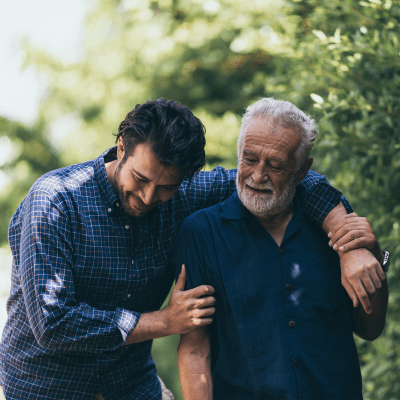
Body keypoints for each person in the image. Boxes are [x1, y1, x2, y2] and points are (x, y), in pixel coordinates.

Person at [0, 99, 385, 400]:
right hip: (46, 387)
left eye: (166, 187)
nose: (149, 197)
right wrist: (166, 322)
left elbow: (296, 178)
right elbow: (53, 323)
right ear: (121, 148)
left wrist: (348, 240)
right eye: (140, 178)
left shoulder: (184, 195)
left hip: (130, 387)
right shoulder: (54, 202)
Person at [174, 98, 389, 400]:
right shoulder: (201, 232)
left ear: (302, 171)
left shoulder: (336, 229)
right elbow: (196, 348)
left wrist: (373, 257)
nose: (258, 176)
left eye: (275, 166)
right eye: (248, 159)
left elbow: (370, 328)